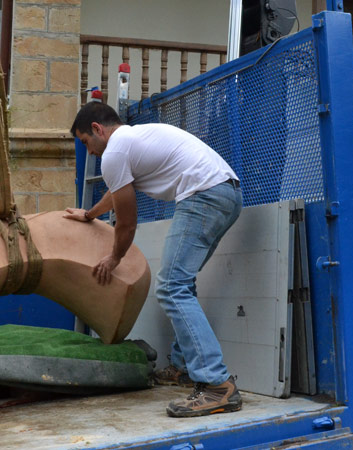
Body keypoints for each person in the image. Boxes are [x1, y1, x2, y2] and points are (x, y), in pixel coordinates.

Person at [64, 102, 243, 418]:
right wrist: (90, 214)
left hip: (204, 194)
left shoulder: (115, 152)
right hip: (226, 193)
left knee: (172, 286)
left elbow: (127, 222)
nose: (89, 152)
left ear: (97, 129)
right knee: (181, 283)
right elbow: (118, 192)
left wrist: (114, 258)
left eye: (85, 142)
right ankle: (184, 366)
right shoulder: (132, 141)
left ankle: (217, 385)